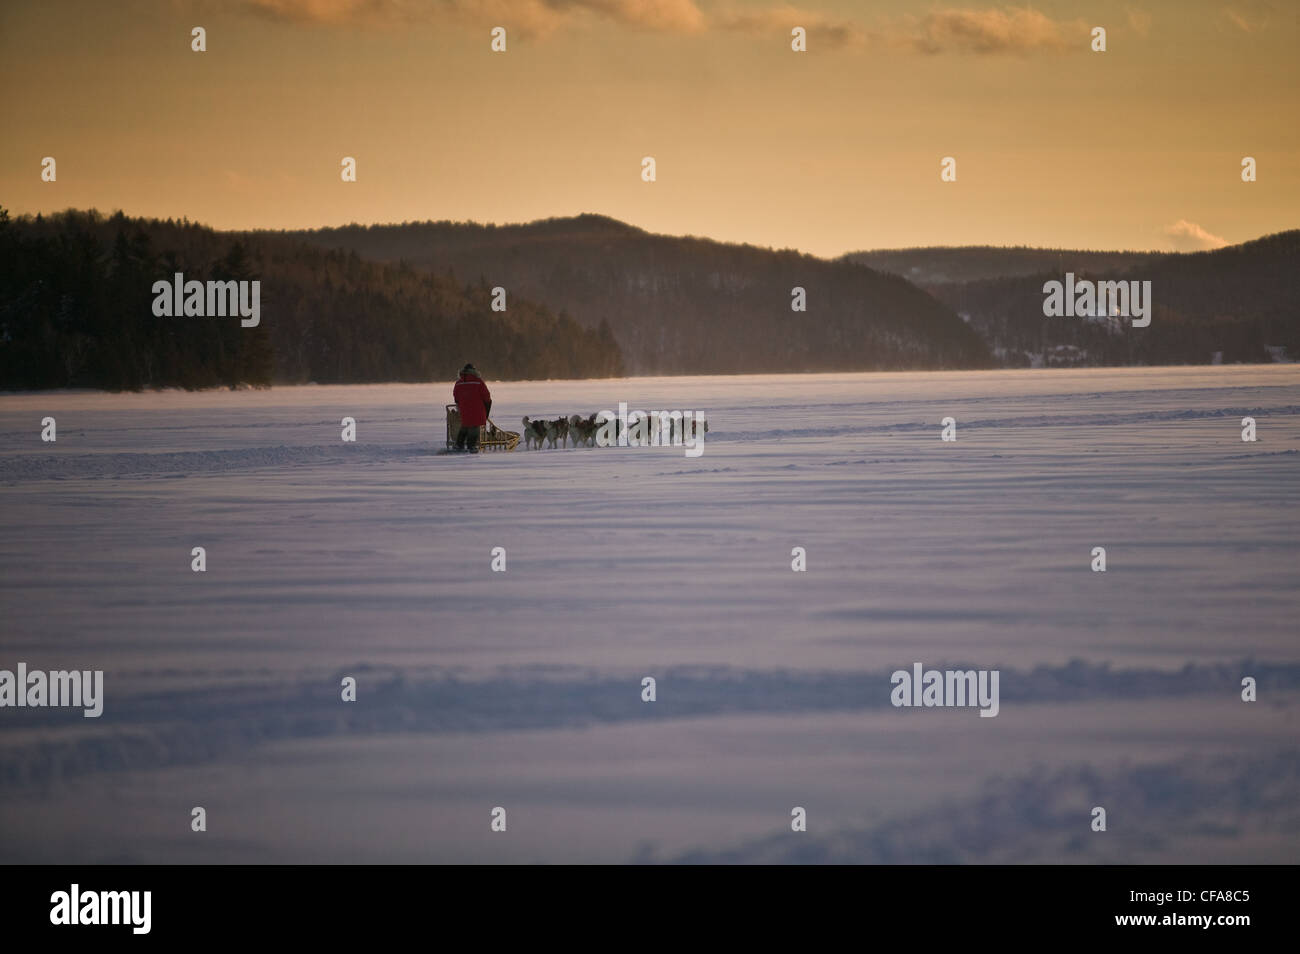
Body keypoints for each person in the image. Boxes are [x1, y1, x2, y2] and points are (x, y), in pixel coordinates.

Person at [452, 363, 492, 451]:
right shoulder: (478, 381)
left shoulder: (458, 383)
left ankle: (459, 444)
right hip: (477, 409)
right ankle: (471, 446)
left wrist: (461, 404)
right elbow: (486, 396)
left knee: (465, 425)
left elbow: (456, 396)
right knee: (475, 427)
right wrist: (487, 406)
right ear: (474, 371)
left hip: (464, 409)